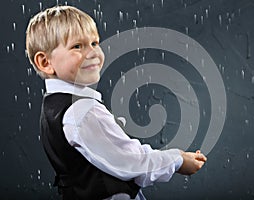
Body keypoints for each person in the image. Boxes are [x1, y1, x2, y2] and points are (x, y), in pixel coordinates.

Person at [25, 5, 207, 200]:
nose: (93, 53)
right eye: (77, 46)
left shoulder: (54, 106)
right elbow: (132, 163)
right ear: (45, 62)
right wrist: (177, 160)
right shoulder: (83, 111)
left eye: (94, 43)